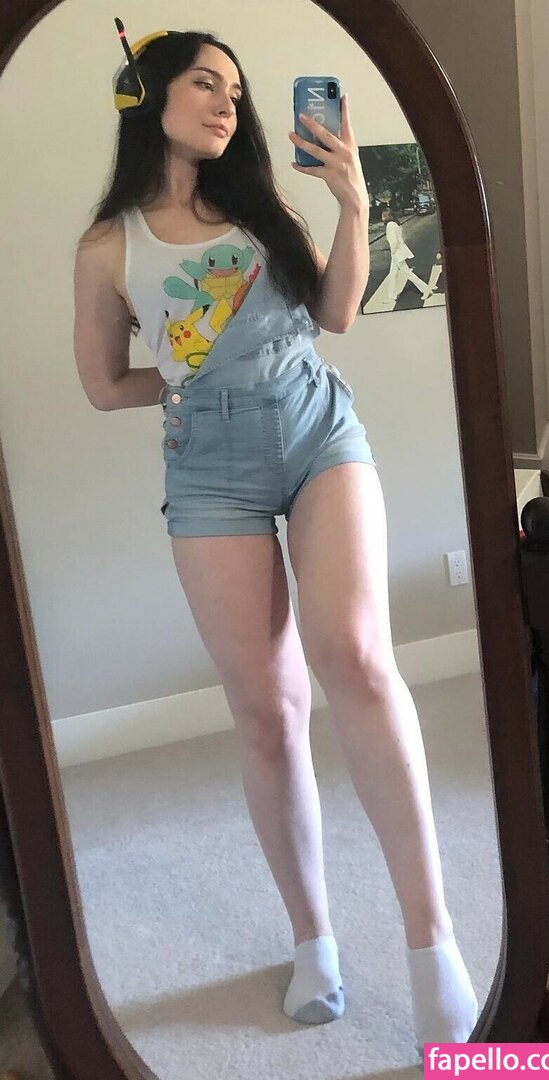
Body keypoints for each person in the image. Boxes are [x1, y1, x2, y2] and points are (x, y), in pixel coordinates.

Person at [73, 27, 478, 1051]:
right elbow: (102, 385)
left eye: (235, 89)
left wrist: (353, 202)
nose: (227, 102)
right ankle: (313, 939)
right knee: (267, 709)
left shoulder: (264, 209)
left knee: (357, 655)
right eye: (204, 82)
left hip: (315, 429)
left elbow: (336, 314)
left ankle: (433, 946)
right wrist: (188, 383)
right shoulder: (109, 247)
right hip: (206, 467)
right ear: (146, 95)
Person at [379, 205, 437, 307]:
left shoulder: (390, 225)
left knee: (408, 273)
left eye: (384, 216)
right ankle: (391, 296)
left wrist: (393, 252)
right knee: (393, 274)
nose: (382, 218)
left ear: (388, 217)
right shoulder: (396, 224)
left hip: (396, 253)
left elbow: (394, 242)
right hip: (398, 252)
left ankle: (426, 289)